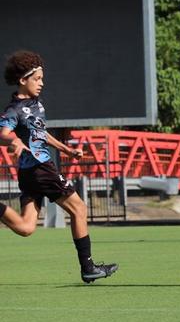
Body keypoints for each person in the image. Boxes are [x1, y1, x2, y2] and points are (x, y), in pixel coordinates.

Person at [1, 50, 118, 283]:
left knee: (26, 227)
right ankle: (88, 267)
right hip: (41, 169)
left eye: (42, 78)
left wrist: (66, 150)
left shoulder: (36, 105)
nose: (42, 83)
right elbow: (3, 132)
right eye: (37, 79)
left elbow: (40, 133)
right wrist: (13, 140)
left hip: (28, 173)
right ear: (23, 80)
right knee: (79, 209)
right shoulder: (14, 110)